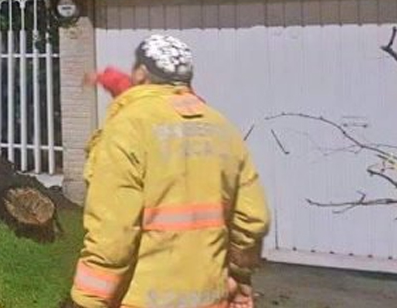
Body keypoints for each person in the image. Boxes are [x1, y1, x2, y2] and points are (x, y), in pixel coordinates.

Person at [66, 34, 270, 308]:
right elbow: (252, 220)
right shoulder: (223, 129)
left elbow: (113, 233)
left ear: (140, 73)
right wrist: (239, 274)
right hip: (210, 297)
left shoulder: (127, 128)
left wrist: (87, 300)